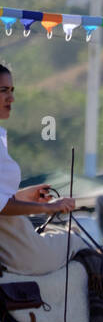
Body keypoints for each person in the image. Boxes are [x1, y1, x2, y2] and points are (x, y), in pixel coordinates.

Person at [0, 64, 92, 274]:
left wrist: (24, 196)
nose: (11, 98)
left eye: (12, 91)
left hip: (14, 240)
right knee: (77, 242)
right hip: (17, 249)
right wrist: (49, 207)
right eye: (4, 90)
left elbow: (3, 200)